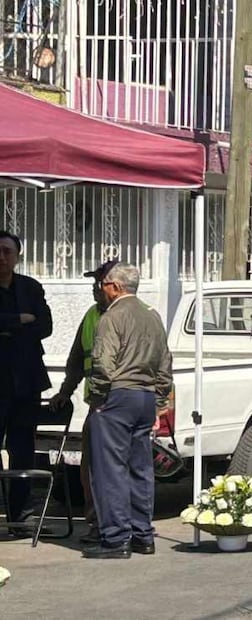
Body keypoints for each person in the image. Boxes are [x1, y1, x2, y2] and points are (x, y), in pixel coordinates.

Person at [83, 263, 172, 559]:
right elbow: (164, 365)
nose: (101, 290)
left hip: (118, 395)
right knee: (140, 468)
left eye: (104, 285)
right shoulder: (152, 317)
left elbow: (103, 364)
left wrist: (98, 399)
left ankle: (116, 538)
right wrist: (159, 402)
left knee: (110, 470)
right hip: (145, 397)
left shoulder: (113, 317)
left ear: (116, 287)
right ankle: (142, 535)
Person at [49, 260, 118, 544]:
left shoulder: (127, 315)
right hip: (97, 403)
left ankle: (121, 526)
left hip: (121, 402)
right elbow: (77, 360)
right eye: (93, 284)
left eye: (99, 284)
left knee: (119, 468)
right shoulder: (92, 315)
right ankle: (96, 523)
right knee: (89, 467)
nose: (94, 290)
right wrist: (65, 391)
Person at [0, 230, 52, 536]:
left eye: (7, 251)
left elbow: (45, 326)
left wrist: (9, 327)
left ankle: (21, 515)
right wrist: (19, 320)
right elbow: (30, 323)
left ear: (17, 255)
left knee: (23, 450)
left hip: (25, 383)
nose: (2, 257)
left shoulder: (30, 287)